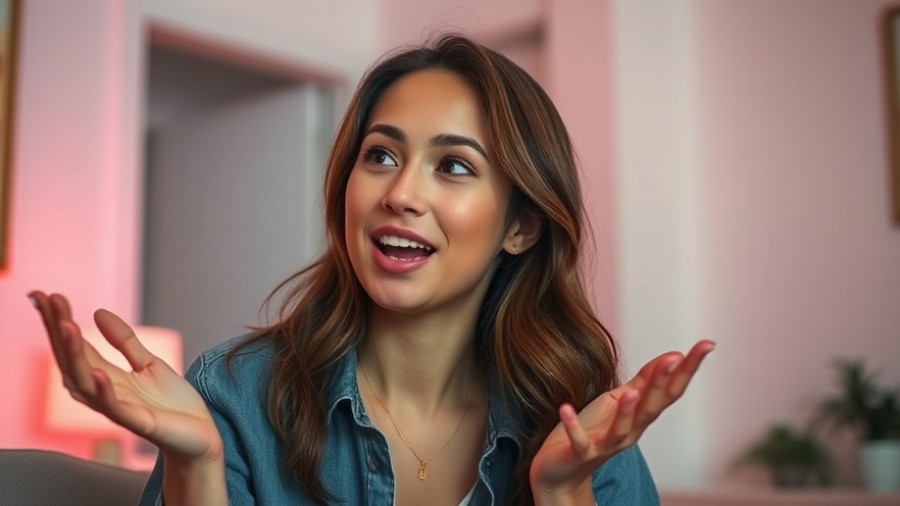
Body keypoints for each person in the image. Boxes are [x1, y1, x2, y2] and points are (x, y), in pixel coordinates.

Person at [29, 34, 714, 505]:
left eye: (453, 166)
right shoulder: (234, 396)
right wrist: (199, 465)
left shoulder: (581, 418)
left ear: (520, 226)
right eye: (381, 155)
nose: (400, 193)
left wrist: (563, 490)